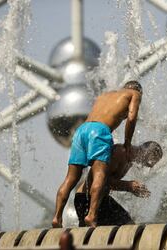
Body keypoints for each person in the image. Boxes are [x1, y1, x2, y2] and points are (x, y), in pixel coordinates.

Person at [52, 81, 143, 228]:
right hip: (99, 131)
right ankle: (92, 215)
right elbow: (132, 118)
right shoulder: (134, 94)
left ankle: (57, 218)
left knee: (70, 178)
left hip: (82, 130)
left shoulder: (105, 95)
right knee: (100, 173)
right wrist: (127, 142)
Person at [74, 141, 163, 226]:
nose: (149, 166)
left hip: (101, 199)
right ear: (147, 153)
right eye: (151, 162)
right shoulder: (120, 152)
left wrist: (131, 188)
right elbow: (101, 181)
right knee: (128, 226)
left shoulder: (129, 161)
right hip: (86, 198)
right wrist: (128, 185)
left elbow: (108, 185)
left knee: (129, 225)